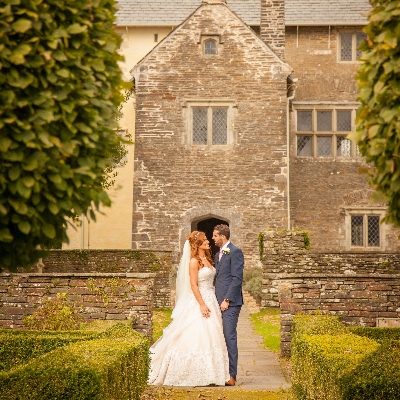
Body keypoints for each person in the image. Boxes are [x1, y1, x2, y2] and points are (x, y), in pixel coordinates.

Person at [148, 231, 229, 386]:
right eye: (204, 240)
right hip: (201, 300)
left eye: (206, 239)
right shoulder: (193, 261)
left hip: (211, 298)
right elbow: (193, 284)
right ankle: (191, 371)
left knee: (213, 334)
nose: (207, 242)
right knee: (198, 332)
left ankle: (212, 372)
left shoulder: (208, 259)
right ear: (197, 244)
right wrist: (202, 304)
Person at [212, 224, 244, 387]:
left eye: (215, 235)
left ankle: (232, 375)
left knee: (229, 336)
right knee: (217, 336)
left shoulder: (235, 251)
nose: (213, 238)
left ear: (223, 236)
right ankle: (220, 371)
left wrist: (227, 300)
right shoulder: (219, 253)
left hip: (230, 303)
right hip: (216, 300)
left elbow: (237, 278)